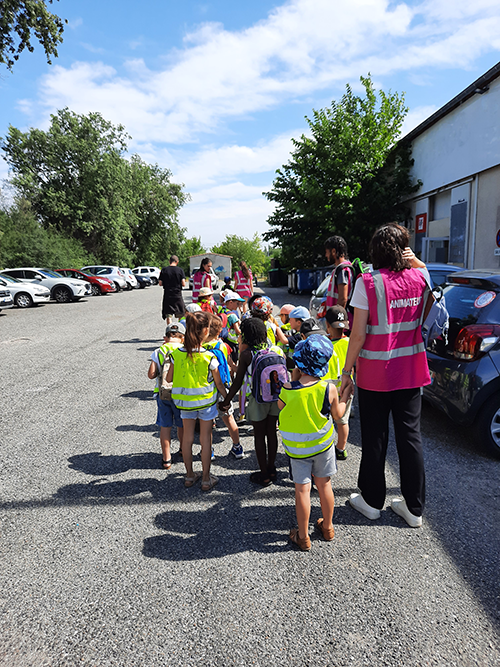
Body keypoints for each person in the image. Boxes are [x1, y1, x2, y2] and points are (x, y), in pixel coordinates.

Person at [340, 223, 432, 528]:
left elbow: (357, 334)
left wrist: (345, 371)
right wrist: (416, 261)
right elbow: (428, 306)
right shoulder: (420, 277)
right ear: (403, 249)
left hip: (376, 374)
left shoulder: (368, 283)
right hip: (410, 371)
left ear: (374, 251)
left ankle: (371, 501)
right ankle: (414, 508)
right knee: (410, 437)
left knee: (375, 437)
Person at [278, 335, 351, 551]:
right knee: (324, 485)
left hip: (297, 449)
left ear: (299, 362)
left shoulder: (287, 388)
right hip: (322, 446)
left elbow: (282, 408)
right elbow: (338, 414)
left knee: (302, 490)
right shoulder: (328, 389)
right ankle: (327, 528)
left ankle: (303, 537)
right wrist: (345, 394)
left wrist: (293, 377)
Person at [166, 311, 227, 491]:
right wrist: (226, 399)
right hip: (206, 403)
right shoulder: (209, 357)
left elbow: (169, 379)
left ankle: (189, 475)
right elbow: (219, 383)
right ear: (206, 331)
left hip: (185, 403)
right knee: (206, 439)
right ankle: (206, 479)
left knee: (187, 438)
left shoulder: (176, 355)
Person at [219, 318, 284, 486]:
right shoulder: (275, 349)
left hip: (257, 399)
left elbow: (238, 381)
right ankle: (272, 468)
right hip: (276, 398)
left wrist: (226, 401)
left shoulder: (247, 354)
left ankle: (264, 474)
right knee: (272, 433)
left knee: (259, 436)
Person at [203, 314, 244, 459]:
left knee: (208, 422)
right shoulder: (223, 345)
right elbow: (230, 364)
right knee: (229, 418)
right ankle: (237, 447)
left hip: (207, 388)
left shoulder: (201, 347)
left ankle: (209, 450)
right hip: (224, 387)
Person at [147, 322, 185, 469]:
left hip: (163, 394)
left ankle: (166, 458)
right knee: (182, 425)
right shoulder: (183, 350)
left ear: (166, 337)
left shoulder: (158, 351)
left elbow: (151, 375)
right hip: (181, 394)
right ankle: (183, 449)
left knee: (165, 426)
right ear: (183, 337)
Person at [324, 306, 352, 461]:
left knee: (326, 419)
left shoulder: (325, 344)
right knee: (342, 420)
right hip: (346, 384)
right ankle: (341, 448)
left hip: (327, 385)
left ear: (327, 325)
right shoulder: (350, 342)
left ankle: (325, 448)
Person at [324, 235, 353, 326]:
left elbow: (342, 298)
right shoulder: (346, 267)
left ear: (333, 251)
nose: (326, 255)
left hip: (340, 324)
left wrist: (336, 323)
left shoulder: (342, 270)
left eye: (327, 252)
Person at [159, 255, 186, 324]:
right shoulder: (180, 270)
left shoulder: (164, 270)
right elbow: (183, 283)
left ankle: (170, 331)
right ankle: (180, 330)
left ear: (169, 261)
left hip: (168, 295)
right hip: (177, 295)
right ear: (177, 262)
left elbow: (160, 283)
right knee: (180, 314)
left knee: (168, 315)